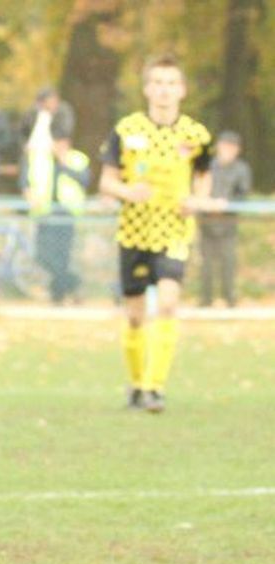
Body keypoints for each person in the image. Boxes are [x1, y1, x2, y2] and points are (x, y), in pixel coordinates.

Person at [99, 54, 213, 413]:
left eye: (171, 83)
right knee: (135, 315)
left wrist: (198, 199)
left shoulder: (195, 135)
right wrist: (126, 192)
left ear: (182, 90)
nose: (164, 90)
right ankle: (136, 385)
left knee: (167, 302)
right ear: (147, 88)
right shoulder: (127, 129)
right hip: (134, 234)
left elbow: (204, 176)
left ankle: (155, 388)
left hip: (174, 233)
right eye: (158, 83)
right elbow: (106, 181)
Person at [18, 89, 89, 304]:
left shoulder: (77, 159)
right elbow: (28, 175)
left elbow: (84, 179)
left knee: (62, 259)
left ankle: (58, 296)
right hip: (46, 213)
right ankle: (74, 284)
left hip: (66, 215)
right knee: (44, 257)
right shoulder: (42, 160)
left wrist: (64, 163)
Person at [198, 131, 251, 307]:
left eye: (232, 146)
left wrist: (226, 204)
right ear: (218, 146)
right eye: (225, 145)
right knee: (206, 264)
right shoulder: (208, 166)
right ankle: (205, 300)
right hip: (207, 222)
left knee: (228, 262)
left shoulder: (242, 169)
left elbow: (243, 195)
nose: (228, 149)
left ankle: (229, 300)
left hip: (228, 224)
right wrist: (207, 204)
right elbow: (199, 190)